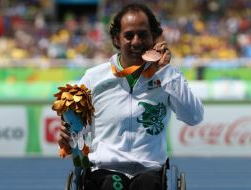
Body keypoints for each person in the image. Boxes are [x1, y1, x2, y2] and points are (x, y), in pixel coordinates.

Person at [58, 3, 204, 190]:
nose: (136, 41)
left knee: (147, 185)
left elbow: (194, 117)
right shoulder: (94, 78)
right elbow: (78, 132)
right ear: (117, 39)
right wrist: (69, 138)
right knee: (112, 185)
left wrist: (165, 71)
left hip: (150, 173)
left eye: (143, 34)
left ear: (153, 39)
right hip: (104, 171)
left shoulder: (168, 77)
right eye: (129, 35)